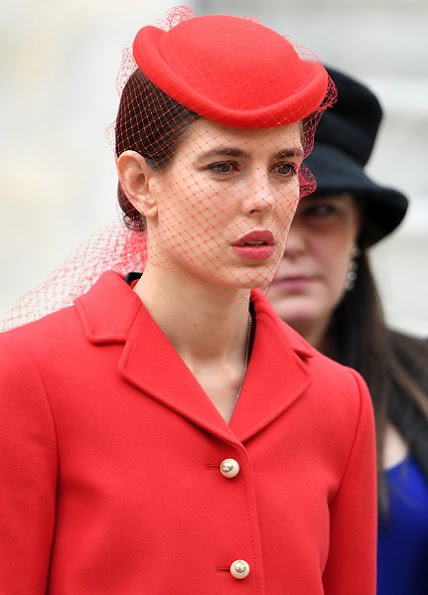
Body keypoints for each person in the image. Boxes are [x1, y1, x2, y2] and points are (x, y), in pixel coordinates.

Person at [0, 9, 376, 593]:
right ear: (139, 183)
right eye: (224, 166)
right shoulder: (27, 376)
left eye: (283, 167)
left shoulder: (340, 400)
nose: (263, 200)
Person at [268, 66, 428, 595]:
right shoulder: (179, 388)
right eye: (273, 213)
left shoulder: (421, 376)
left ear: (359, 232)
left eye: (322, 211)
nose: (290, 243)